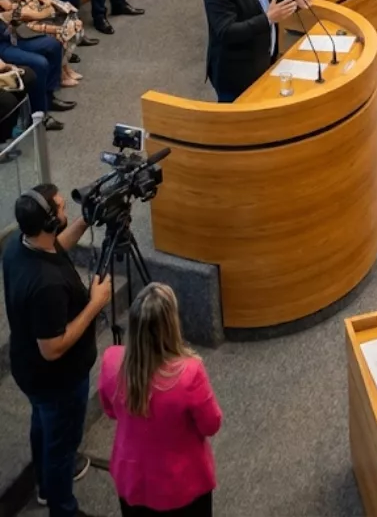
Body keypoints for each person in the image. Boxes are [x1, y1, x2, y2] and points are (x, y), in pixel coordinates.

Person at [3, 184, 112, 516]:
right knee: (62, 445)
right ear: (49, 223)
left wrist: (84, 221)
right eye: (62, 209)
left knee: (43, 425)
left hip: (30, 371)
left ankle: (44, 484)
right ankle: (62, 507)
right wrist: (95, 304)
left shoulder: (18, 245)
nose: (66, 210)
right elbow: (52, 348)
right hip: (58, 379)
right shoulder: (46, 286)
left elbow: (57, 247)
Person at [99, 282, 222, 517]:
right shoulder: (189, 373)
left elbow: (110, 410)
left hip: (133, 477)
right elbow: (211, 424)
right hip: (182, 483)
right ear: (171, 326)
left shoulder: (111, 360)